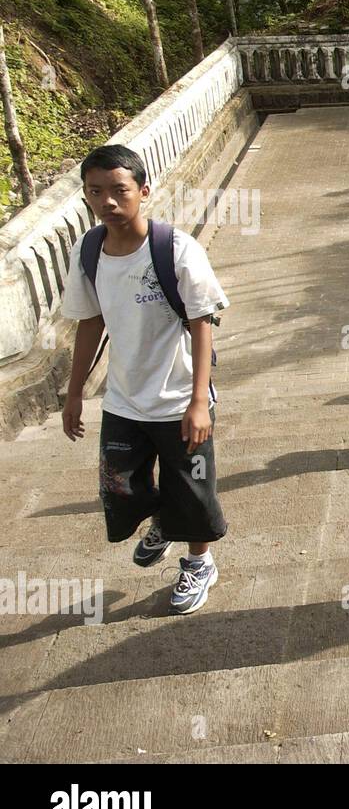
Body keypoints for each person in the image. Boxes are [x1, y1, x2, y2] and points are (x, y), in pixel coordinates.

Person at [61, 144, 230, 615]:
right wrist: (74, 394)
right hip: (123, 401)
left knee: (194, 490)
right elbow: (89, 322)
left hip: (178, 399)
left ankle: (199, 562)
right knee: (119, 487)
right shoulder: (89, 250)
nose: (108, 202)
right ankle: (164, 517)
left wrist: (199, 402)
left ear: (143, 191)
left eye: (119, 190)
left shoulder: (175, 249)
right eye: (96, 192)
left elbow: (202, 321)